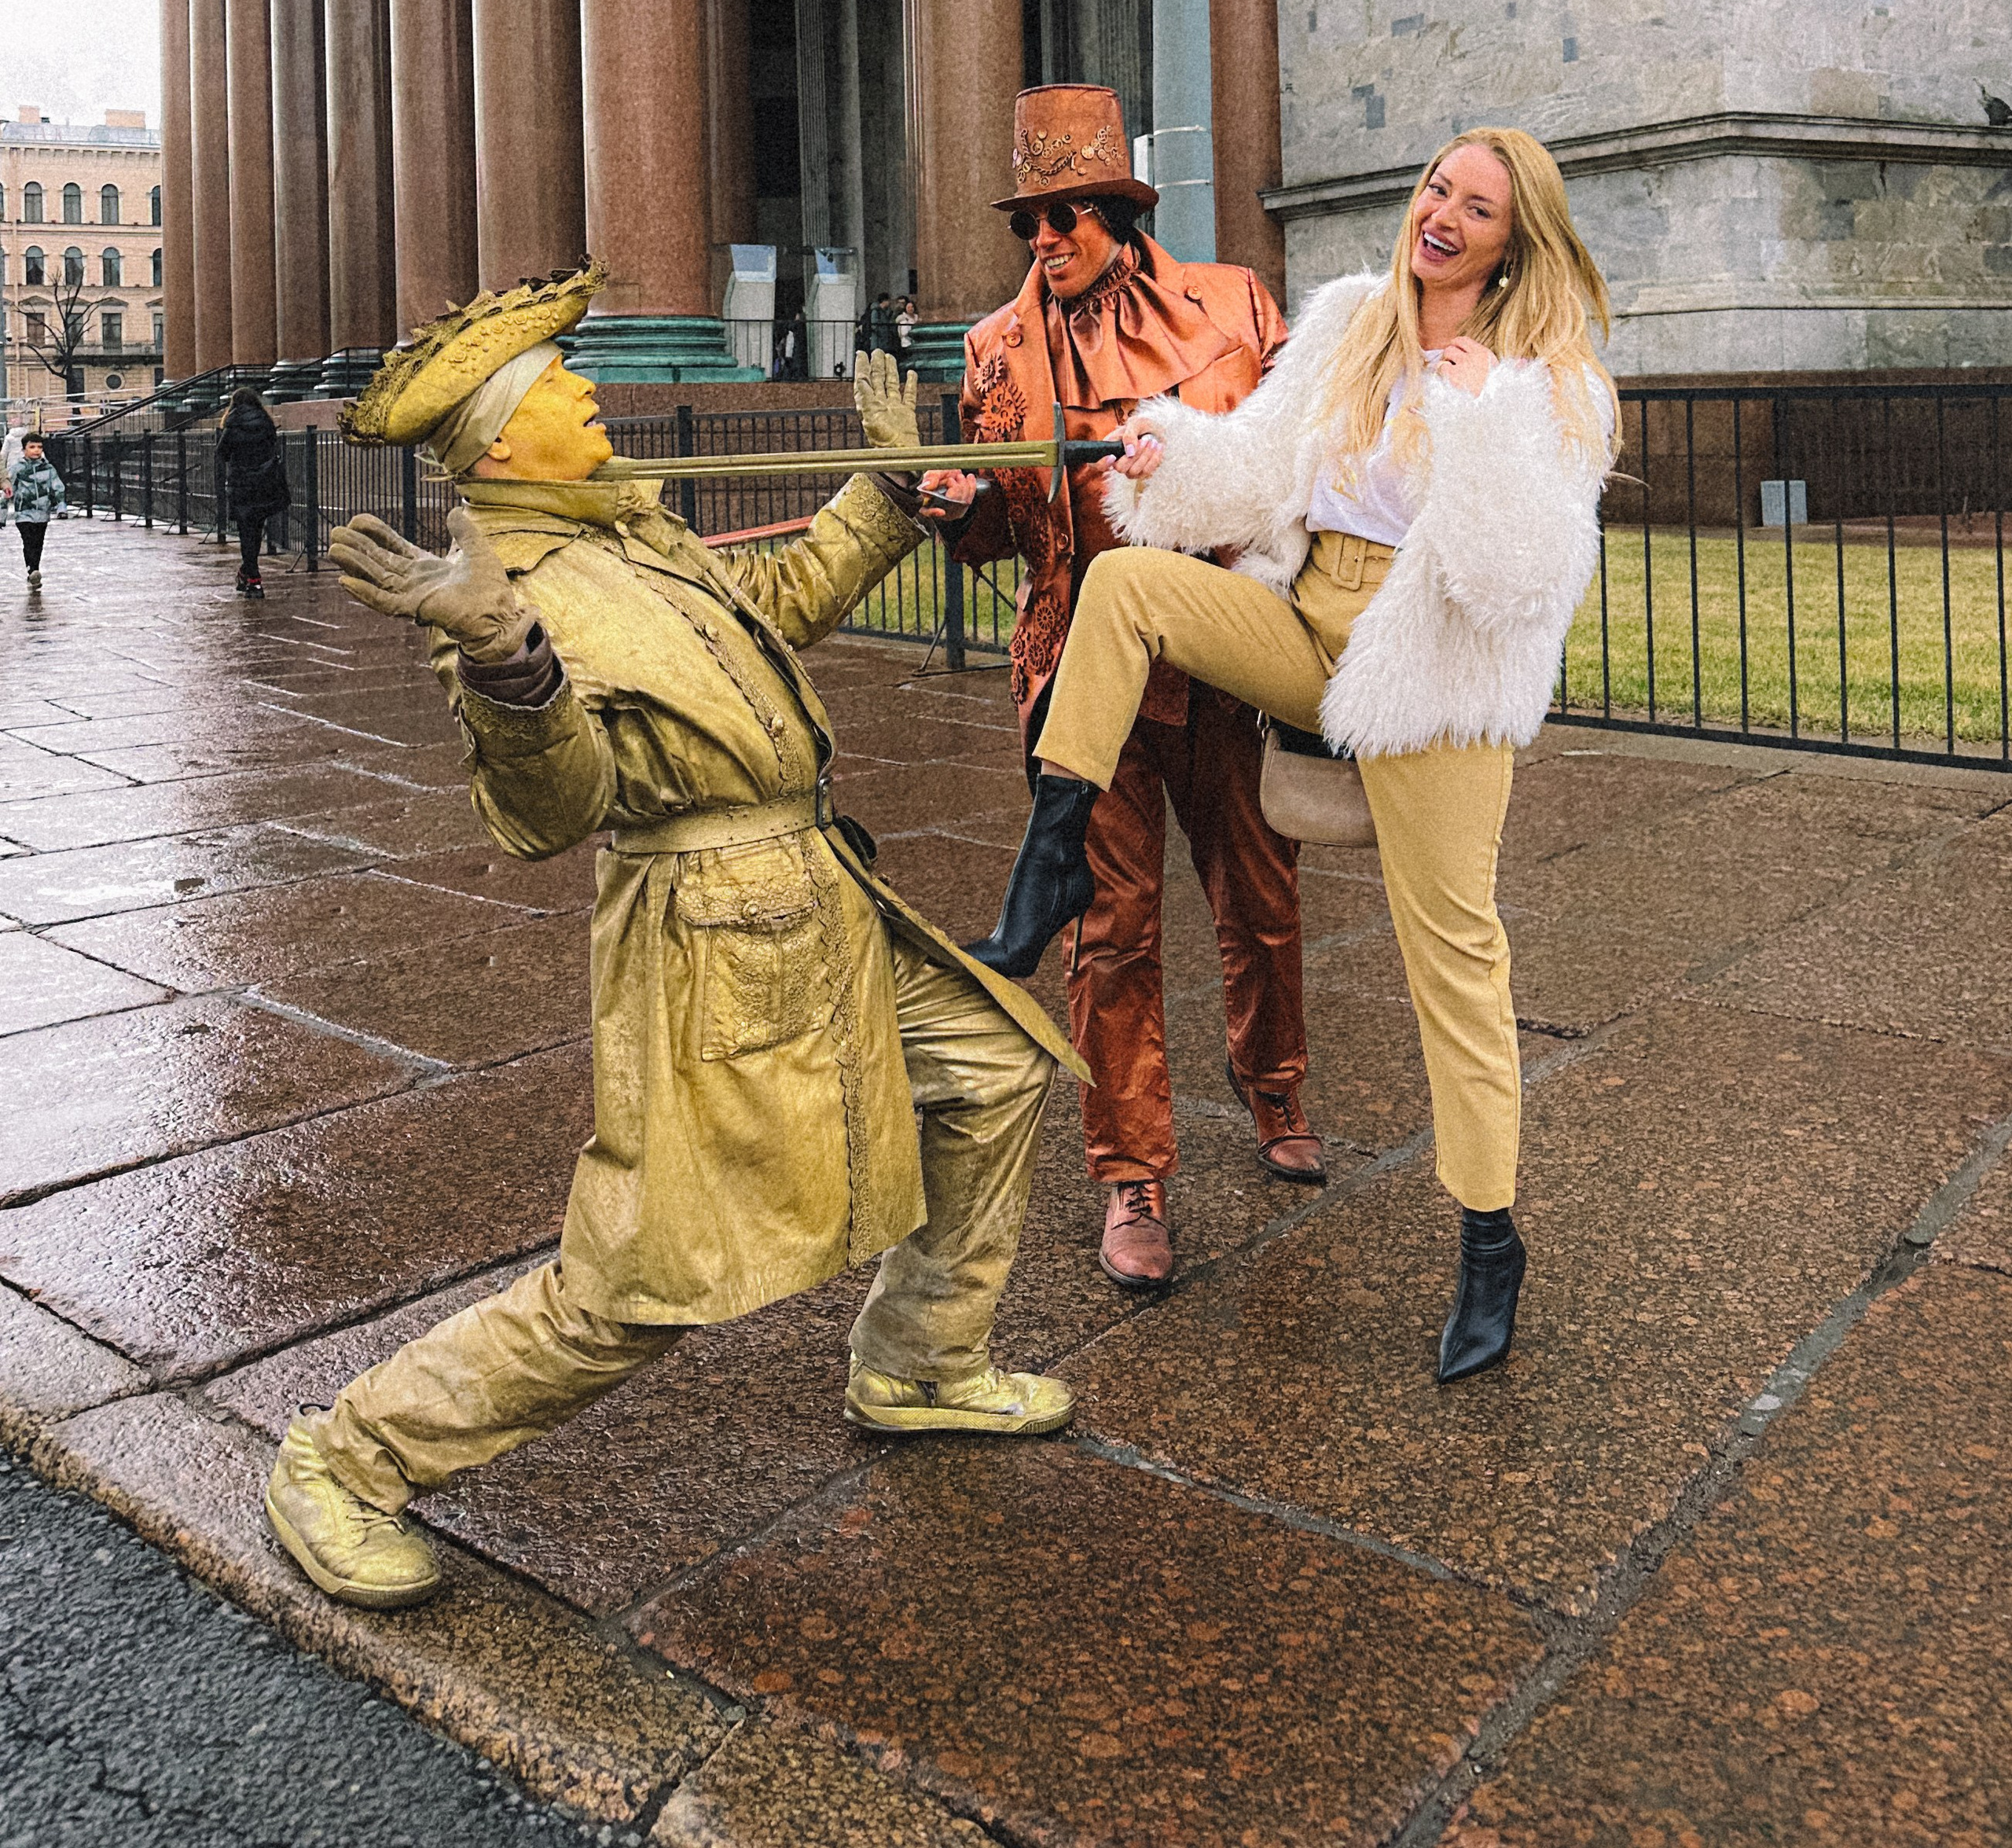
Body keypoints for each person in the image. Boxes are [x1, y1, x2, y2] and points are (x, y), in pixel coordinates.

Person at [261, 267, 1080, 1614]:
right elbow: (550, 811)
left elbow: (781, 599)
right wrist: (506, 660)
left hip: (817, 895)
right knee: (642, 1279)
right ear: (504, 442)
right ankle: (347, 1459)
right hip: (713, 943)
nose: (589, 389)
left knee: (993, 1068)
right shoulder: (505, 585)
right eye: (560, 381)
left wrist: (883, 491)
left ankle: (922, 1358)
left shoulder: (628, 529)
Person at [966, 128, 1618, 1383]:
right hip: (1310, 624)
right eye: (1437, 188)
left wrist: (1481, 412)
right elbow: (1259, 465)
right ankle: (1053, 859)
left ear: (1513, 241)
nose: (1441, 215)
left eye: (1477, 208)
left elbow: (1517, 576)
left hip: (1434, 671)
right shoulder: (1353, 323)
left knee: (1458, 958)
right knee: (1129, 586)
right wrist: (1169, 454)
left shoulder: (1553, 381)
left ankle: (1490, 1240)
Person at [921, 84, 1308, 1295]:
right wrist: (964, 509)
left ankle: (1275, 1084)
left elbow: (1298, 456)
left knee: (1261, 893)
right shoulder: (996, 349)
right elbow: (1002, 530)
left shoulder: (1235, 305)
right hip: (1085, 676)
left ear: (1121, 215)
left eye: (1067, 216)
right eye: (1027, 222)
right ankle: (1131, 1172)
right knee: (1110, 930)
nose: (1044, 239)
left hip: (1222, 656)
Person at [215, 387, 290, 597]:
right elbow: (272, 448)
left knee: (246, 531)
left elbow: (222, 453)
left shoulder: (233, 423)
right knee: (256, 530)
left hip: (242, 484)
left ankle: (254, 578)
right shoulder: (266, 422)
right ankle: (248, 572)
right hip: (264, 483)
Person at [4, 438, 64, 588]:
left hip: (42, 512)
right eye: (32, 447)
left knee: (38, 542)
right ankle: (32, 570)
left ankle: (34, 570)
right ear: (24, 449)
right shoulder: (17, 468)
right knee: (28, 540)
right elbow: (7, 492)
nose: (36, 450)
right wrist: (1, 515)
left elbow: (58, 488)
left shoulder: (49, 469)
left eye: (39, 447)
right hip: (23, 512)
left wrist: (61, 508)